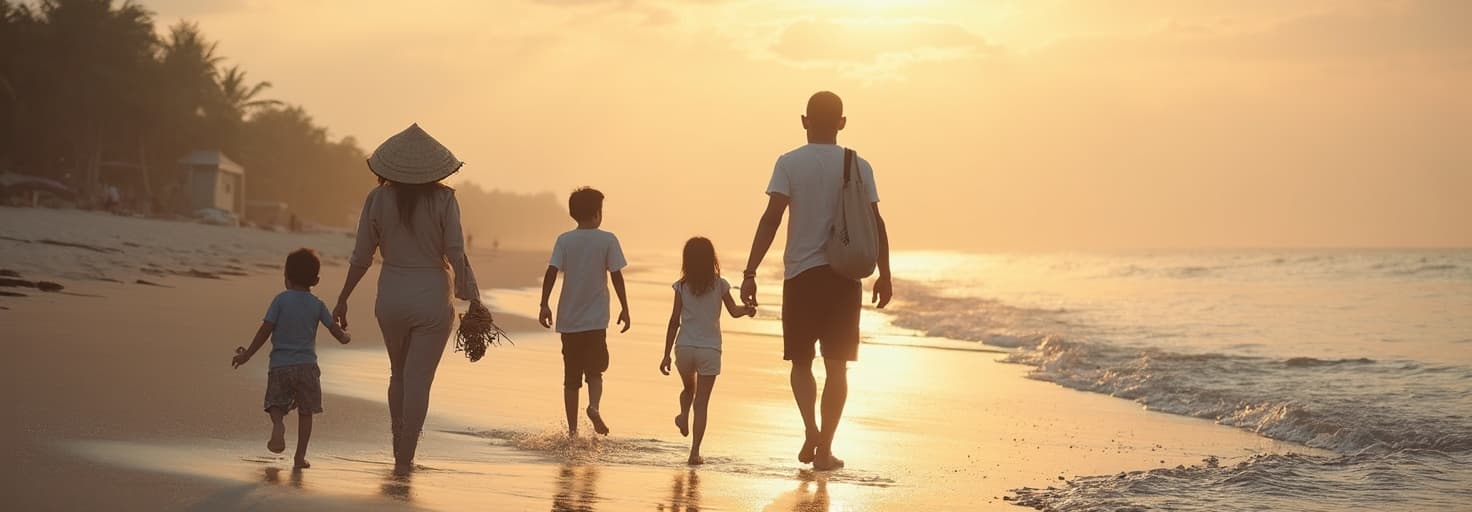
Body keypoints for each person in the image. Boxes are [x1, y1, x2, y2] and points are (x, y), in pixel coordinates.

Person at [739, 91, 893, 471]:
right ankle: (825, 449)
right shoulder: (859, 165)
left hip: (801, 277)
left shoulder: (789, 162)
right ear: (842, 123)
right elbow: (876, 223)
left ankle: (811, 430)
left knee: (801, 362)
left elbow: (771, 219)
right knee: (837, 367)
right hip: (845, 277)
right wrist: (885, 274)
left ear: (804, 121)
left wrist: (750, 272)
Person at [331, 123, 483, 474]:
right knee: (419, 380)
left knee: (397, 374)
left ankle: (397, 444)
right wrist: (470, 294)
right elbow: (455, 250)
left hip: (391, 295)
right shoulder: (445, 199)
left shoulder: (377, 198)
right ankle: (405, 457)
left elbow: (362, 256)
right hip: (431, 294)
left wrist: (343, 298)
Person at [231, 248, 352, 469]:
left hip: (280, 366)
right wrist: (346, 335)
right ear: (316, 280)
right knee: (306, 412)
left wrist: (247, 354)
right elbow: (337, 333)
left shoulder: (280, 300)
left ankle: (278, 425)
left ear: (286, 277)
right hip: (307, 367)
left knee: (275, 404)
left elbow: (265, 330)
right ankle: (299, 457)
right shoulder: (317, 304)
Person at [538, 187, 631, 438]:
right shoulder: (608, 239)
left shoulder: (564, 240)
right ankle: (594, 407)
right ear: (597, 213)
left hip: (569, 321)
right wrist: (625, 307)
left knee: (571, 378)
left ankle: (572, 432)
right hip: (596, 321)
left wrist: (544, 304)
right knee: (595, 371)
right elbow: (616, 276)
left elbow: (551, 272)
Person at [660, 237, 755, 465]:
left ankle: (683, 415)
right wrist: (748, 309)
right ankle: (694, 452)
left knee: (688, 388)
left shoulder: (681, 286)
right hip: (710, 350)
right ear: (712, 259)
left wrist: (665, 354)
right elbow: (734, 311)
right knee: (701, 402)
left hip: (684, 348)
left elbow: (674, 321)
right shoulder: (720, 284)